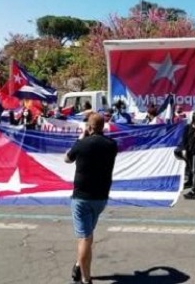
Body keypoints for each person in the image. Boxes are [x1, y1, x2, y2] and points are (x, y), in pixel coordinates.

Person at [64, 112, 118, 284]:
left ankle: (85, 279)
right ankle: (79, 265)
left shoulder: (82, 144)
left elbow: (67, 159)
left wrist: (81, 138)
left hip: (82, 197)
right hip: (100, 197)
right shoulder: (112, 145)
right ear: (103, 127)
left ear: (89, 126)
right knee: (88, 235)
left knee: (84, 238)